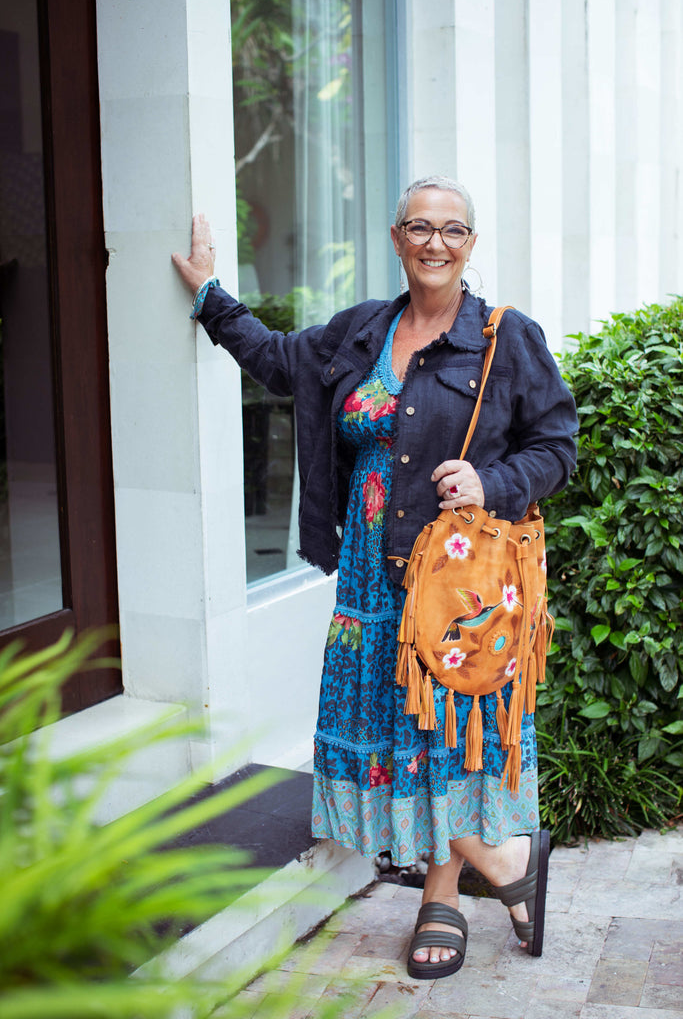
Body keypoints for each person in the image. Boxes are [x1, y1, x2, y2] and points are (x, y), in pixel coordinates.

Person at [172, 176, 578, 980]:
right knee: (398, 738)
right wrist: (211, 293)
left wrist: (490, 483)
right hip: (368, 579)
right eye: (419, 228)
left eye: (452, 230)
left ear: (470, 244)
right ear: (395, 238)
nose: (435, 243)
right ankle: (500, 865)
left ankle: (454, 887)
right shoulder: (361, 331)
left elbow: (556, 446)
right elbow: (278, 361)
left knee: (440, 737)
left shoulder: (504, 337)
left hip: (454, 586)